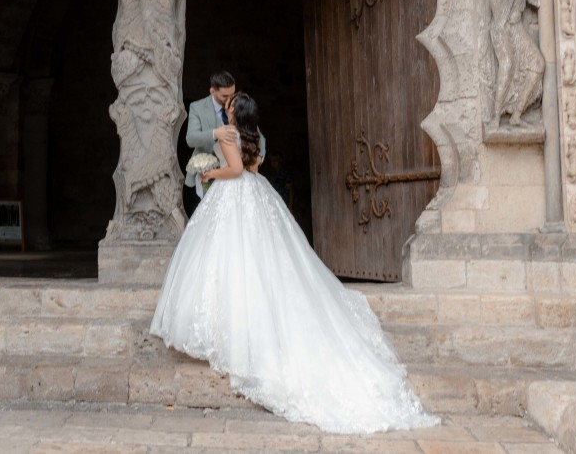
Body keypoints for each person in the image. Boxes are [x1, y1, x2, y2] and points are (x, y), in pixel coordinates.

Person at [151, 93, 439, 434]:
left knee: (232, 258)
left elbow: (237, 169)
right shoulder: (255, 137)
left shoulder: (228, 134)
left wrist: (209, 171)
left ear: (235, 112)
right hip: (256, 195)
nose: (226, 109)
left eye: (230, 107)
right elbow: (255, 168)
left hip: (233, 195)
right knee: (264, 256)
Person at [183, 71, 264, 215]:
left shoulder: (238, 106)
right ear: (212, 91)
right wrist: (215, 133)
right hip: (206, 175)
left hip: (237, 179)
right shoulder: (197, 107)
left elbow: (257, 136)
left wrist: (258, 159)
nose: (229, 99)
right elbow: (191, 139)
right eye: (225, 96)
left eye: (232, 94)